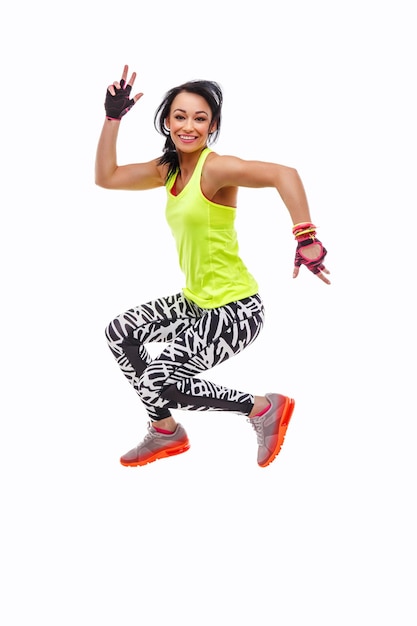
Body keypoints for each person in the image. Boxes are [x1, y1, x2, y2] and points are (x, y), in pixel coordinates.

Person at [95, 64, 330, 469]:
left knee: (161, 380)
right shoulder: (168, 169)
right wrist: (112, 119)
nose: (189, 126)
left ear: (212, 125)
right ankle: (165, 429)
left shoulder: (215, 167)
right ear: (166, 121)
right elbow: (107, 177)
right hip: (196, 301)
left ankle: (260, 408)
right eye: (180, 117)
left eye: (200, 118)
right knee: (121, 332)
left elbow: (283, 174)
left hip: (235, 309)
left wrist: (305, 235)